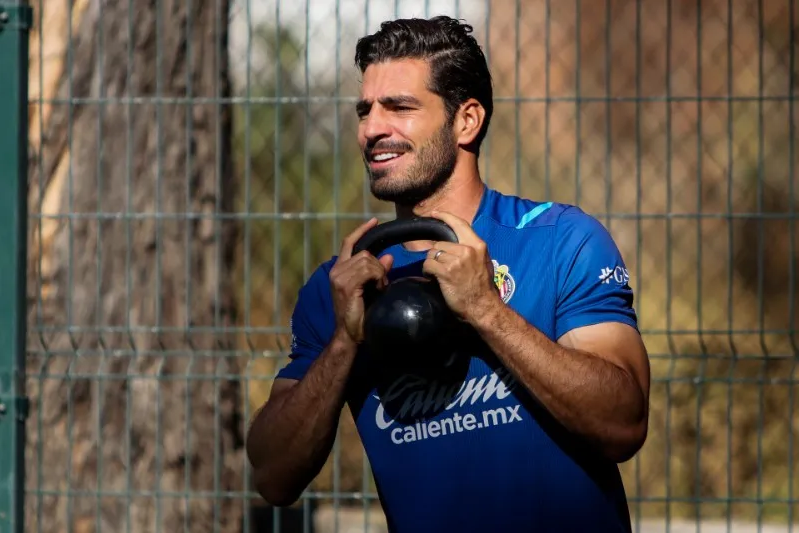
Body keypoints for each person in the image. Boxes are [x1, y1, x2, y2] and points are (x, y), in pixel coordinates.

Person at [246, 15, 650, 533]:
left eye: (400, 108)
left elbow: (625, 422)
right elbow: (273, 477)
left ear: (467, 121)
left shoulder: (560, 240)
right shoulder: (342, 285)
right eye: (365, 110)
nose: (372, 128)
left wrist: (485, 310)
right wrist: (345, 342)